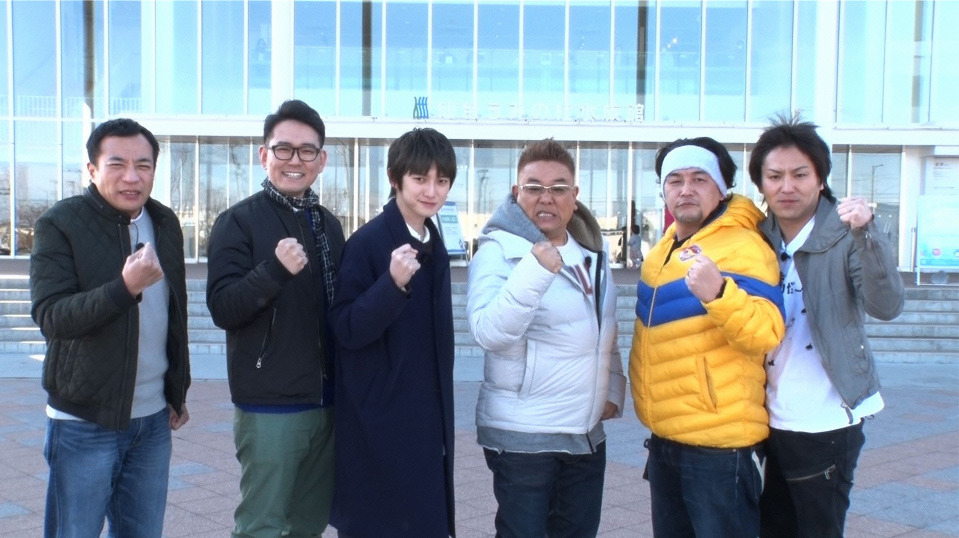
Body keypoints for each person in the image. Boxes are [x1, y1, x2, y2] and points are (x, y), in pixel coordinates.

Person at [30, 118, 191, 537]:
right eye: (117, 164)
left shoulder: (165, 222)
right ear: (92, 169)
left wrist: (176, 389)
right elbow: (51, 316)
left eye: (143, 165)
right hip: (83, 422)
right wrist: (124, 288)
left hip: (153, 422)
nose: (132, 177)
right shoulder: (60, 223)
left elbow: (175, 313)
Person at [750, 116, 904, 538]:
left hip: (826, 419)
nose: (787, 186)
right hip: (766, 418)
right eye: (774, 176)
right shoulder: (756, 238)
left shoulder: (846, 233)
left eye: (800, 174)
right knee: (773, 526)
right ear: (760, 183)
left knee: (818, 528)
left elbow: (887, 305)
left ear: (820, 180)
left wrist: (867, 235)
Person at [468, 139, 626, 537]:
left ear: (574, 195)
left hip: (585, 435)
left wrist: (613, 388)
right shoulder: (497, 251)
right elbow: (488, 332)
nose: (546, 198)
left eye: (558, 188)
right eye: (534, 187)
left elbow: (604, 328)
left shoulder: (591, 252)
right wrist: (536, 271)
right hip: (524, 437)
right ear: (516, 192)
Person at [628, 137, 785, 537]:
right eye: (675, 180)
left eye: (699, 179)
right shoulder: (662, 249)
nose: (686, 189)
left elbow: (765, 333)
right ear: (663, 190)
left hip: (721, 448)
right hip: (667, 438)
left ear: (721, 188)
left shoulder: (745, 245)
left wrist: (718, 294)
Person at [206, 100, 345, 538]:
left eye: (307, 151)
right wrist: (274, 271)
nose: (294, 160)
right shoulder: (237, 222)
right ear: (264, 155)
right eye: (283, 149)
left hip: (327, 401)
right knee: (262, 526)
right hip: (270, 405)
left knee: (309, 523)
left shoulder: (329, 226)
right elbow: (223, 308)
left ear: (321, 160)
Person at [328, 128, 457, 537]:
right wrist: (392, 285)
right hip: (379, 423)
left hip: (426, 420)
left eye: (442, 180)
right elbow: (345, 328)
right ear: (394, 178)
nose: (432, 191)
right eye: (420, 179)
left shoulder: (433, 241)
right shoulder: (368, 243)